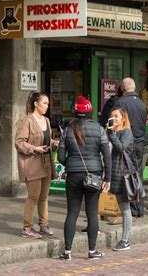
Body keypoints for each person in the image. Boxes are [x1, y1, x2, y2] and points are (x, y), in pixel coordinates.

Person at [57, 96, 111, 260]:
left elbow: (60, 156)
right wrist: (107, 178)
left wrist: (71, 164)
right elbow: (106, 155)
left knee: (72, 212)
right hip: (94, 174)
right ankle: (92, 251)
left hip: (73, 175)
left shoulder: (68, 129)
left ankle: (67, 252)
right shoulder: (99, 129)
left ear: (76, 112)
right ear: (90, 112)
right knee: (92, 212)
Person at [15, 91, 59, 239]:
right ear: (36, 104)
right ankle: (27, 228)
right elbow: (19, 142)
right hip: (32, 163)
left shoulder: (46, 120)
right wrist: (34, 148)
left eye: (47, 104)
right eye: (44, 103)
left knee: (44, 196)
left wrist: (54, 144)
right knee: (33, 196)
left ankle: (43, 224)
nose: (47, 106)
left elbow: (47, 140)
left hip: (46, 162)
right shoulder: (27, 121)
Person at [114, 77, 147, 218]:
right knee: (137, 175)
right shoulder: (142, 104)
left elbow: (116, 123)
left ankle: (132, 208)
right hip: (139, 143)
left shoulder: (121, 103)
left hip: (127, 143)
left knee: (126, 176)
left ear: (122, 88)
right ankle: (139, 207)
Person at [108, 107, 136, 251]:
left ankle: (125, 240)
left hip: (122, 174)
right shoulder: (112, 133)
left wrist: (111, 134)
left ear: (123, 118)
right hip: (113, 173)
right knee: (121, 206)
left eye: (117, 116)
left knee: (125, 208)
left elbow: (121, 148)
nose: (114, 119)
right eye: (112, 116)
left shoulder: (126, 132)